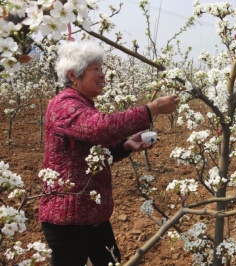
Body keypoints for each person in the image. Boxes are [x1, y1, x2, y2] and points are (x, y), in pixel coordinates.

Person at [39, 41, 180, 266]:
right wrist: (151, 109)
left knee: (110, 261)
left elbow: (91, 157)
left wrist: (124, 145)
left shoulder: (83, 105)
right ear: (73, 75)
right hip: (68, 217)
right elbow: (100, 128)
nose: (103, 75)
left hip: (92, 213)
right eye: (96, 69)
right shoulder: (64, 106)